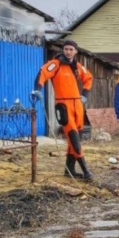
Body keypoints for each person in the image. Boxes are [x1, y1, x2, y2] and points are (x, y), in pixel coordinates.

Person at [33, 39, 94, 180]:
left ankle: (69, 170)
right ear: (63, 50)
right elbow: (42, 73)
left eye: (71, 49)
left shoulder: (77, 66)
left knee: (76, 138)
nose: (68, 52)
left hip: (77, 105)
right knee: (73, 138)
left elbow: (89, 78)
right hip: (64, 106)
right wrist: (37, 89)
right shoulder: (56, 64)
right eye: (66, 49)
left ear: (76, 51)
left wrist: (84, 94)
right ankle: (86, 171)